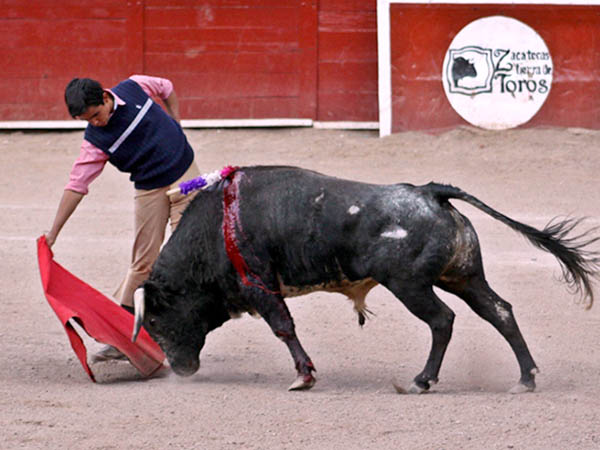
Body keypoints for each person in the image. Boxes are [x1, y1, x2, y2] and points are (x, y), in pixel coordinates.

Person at [45, 75, 200, 362]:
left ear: (105, 97)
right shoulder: (95, 141)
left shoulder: (135, 86)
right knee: (143, 262)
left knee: (185, 254)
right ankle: (122, 336)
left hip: (185, 177)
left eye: (95, 115)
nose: (95, 123)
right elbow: (77, 185)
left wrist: (176, 122)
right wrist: (54, 232)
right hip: (149, 188)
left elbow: (166, 87)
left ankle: (173, 334)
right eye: (87, 121)